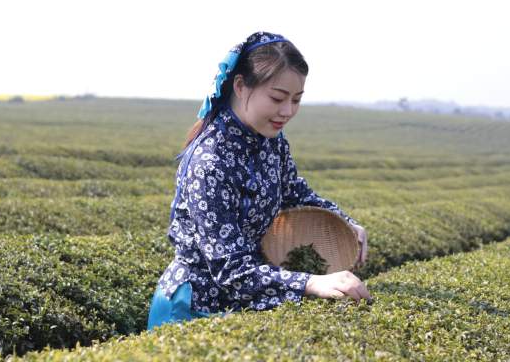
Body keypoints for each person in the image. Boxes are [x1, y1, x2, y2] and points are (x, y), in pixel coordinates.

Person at [147, 31, 371, 331]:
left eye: (296, 100)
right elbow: (232, 270)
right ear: (240, 86)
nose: (288, 111)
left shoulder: (271, 141)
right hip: (194, 307)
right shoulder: (210, 163)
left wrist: (345, 222)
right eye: (277, 98)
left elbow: (295, 193)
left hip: (246, 298)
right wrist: (311, 282)